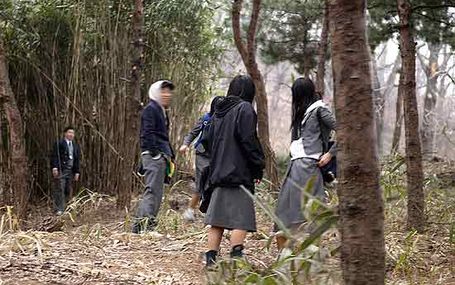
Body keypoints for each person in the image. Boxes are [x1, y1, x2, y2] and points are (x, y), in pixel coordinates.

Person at [202, 75, 265, 267]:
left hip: (218, 173)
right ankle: (236, 260)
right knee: (241, 219)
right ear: (249, 92)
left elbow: (206, 140)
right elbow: (248, 140)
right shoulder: (244, 108)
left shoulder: (219, 110)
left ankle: (211, 260)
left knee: (217, 219)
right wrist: (258, 165)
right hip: (238, 173)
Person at [275, 77, 336, 249]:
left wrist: (331, 154)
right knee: (284, 210)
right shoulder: (306, 111)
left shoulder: (320, 110)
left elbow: (345, 130)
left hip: (309, 167)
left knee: (308, 212)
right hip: (295, 166)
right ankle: (286, 257)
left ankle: (309, 256)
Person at [133, 80, 175, 234]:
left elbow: (163, 136)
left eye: (168, 91)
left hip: (161, 156)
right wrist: (155, 153)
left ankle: (143, 226)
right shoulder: (151, 109)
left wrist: (170, 155)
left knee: (156, 192)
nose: (166, 94)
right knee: (152, 191)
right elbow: (147, 133)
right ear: (155, 92)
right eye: (163, 91)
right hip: (155, 156)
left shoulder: (162, 110)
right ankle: (144, 226)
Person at [179, 96, 224, 222]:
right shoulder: (206, 119)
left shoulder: (225, 121)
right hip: (202, 155)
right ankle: (190, 211)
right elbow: (193, 133)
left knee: (213, 184)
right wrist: (185, 144)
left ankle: (210, 213)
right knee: (201, 183)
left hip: (216, 157)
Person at [50, 126, 81, 215]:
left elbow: (77, 159)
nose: (71, 135)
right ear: (65, 133)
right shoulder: (59, 143)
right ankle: (59, 209)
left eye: (72, 133)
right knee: (60, 188)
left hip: (70, 170)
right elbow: (54, 155)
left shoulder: (75, 146)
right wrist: (55, 167)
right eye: (69, 132)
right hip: (61, 169)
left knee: (68, 189)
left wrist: (77, 172)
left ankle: (67, 207)